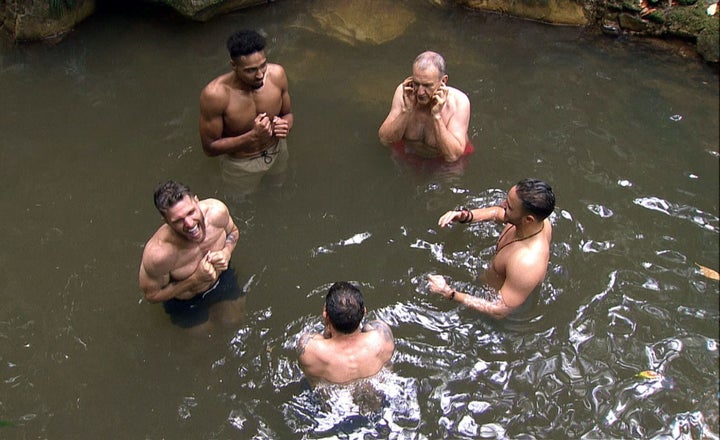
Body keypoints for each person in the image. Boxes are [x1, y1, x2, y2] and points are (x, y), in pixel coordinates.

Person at [428, 178, 555, 319]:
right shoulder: (533, 222)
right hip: (492, 280)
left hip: (486, 310)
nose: (502, 205)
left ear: (528, 219)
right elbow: (496, 212)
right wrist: (464, 216)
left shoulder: (527, 263)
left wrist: (449, 293)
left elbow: (500, 310)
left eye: (510, 207)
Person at [138, 180, 243, 329]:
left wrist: (226, 252)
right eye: (178, 220)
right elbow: (152, 295)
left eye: (191, 212)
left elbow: (233, 232)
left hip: (221, 278)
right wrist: (194, 280)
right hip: (186, 301)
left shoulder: (217, 212)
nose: (189, 223)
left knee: (234, 320)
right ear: (166, 222)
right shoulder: (159, 255)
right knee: (204, 338)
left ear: (196, 201)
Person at [199, 29, 293, 195]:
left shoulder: (277, 74)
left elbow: (287, 114)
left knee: (279, 188)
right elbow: (209, 147)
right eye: (250, 70)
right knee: (243, 200)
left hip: (277, 149)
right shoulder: (215, 95)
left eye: (263, 65)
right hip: (241, 163)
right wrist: (252, 137)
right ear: (234, 66)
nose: (260, 75)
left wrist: (285, 125)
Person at [378, 51, 472, 163]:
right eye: (416, 83)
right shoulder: (404, 92)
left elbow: (453, 156)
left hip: (443, 162)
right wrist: (406, 111)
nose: (420, 92)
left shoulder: (459, 102)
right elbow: (384, 139)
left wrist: (436, 116)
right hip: (409, 155)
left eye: (427, 85)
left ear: (443, 81)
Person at [297, 282, 395, 386]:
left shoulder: (309, 350)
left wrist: (328, 325)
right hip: (377, 395)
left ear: (326, 316)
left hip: (333, 400)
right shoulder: (382, 338)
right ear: (364, 312)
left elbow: (322, 337)